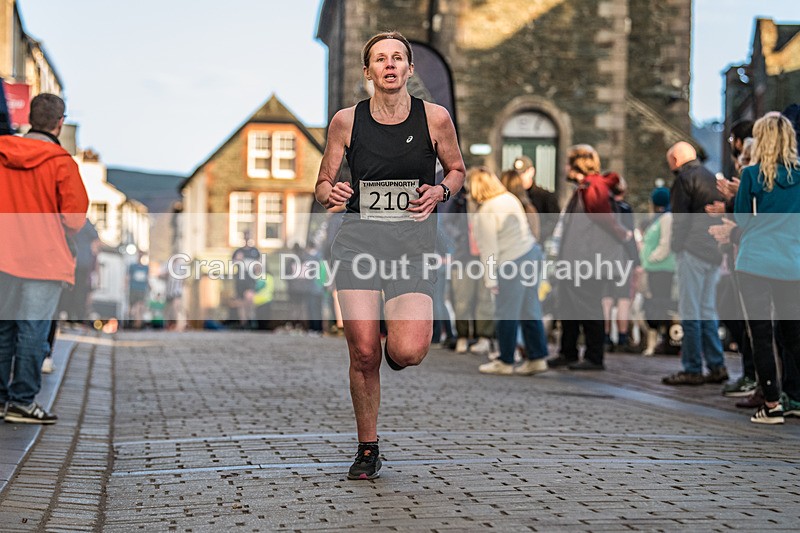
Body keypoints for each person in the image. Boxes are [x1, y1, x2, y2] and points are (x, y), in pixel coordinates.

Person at [314, 31, 465, 480]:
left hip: (413, 247)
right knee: (363, 353)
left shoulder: (435, 118)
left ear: (410, 69)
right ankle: (367, 448)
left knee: (409, 349)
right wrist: (333, 192)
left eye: (398, 57)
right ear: (369, 71)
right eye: (380, 59)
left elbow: (457, 170)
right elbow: (322, 184)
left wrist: (439, 191)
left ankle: (396, 350)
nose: (390, 65)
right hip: (359, 243)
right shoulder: (346, 121)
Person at [0, 93, 88, 424]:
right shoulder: (62, 163)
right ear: (59, 122)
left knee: (3, 329)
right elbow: (74, 219)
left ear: (30, 119)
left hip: (3, 256)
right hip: (43, 259)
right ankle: (23, 402)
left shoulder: (2, 152)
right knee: (33, 331)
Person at [733, 112, 800, 424]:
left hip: (755, 261)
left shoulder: (752, 175)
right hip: (792, 262)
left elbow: (742, 220)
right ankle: (796, 397)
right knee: (793, 333)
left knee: (760, 333)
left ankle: (771, 403)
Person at [548, 145, 632, 371]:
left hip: (587, 261)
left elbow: (604, 217)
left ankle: (594, 356)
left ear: (577, 165)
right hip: (577, 260)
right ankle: (568, 352)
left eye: (568, 163)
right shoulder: (585, 187)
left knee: (588, 307)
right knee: (568, 307)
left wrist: (622, 234)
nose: (564, 167)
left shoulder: (593, 186)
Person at [468, 168, 549, 376]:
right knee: (530, 310)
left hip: (511, 262)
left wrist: (490, 280)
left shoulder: (485, 211)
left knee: (506, 313)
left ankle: (505, 360)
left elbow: (489, 250)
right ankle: (537, 357)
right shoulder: (509, 198)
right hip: (530, 253)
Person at [661, 142, 728, 386]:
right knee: (708, 310)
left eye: (670, 162)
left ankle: (692, 368)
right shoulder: (712, 177)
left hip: (692, 249)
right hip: (713, 250)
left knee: (690, 310)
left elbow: (680, 219)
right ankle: (716, 364)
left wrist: (677, 246)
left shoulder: (684, 179)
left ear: (676, 159)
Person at [639, 187, 676, 355]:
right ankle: (655, 344)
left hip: (662, 269)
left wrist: (651, 258)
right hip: (653, 269)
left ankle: (664, 343)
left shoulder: (666, 217)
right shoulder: (657, 219)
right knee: (653, 305)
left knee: (660, 305)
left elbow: (665, 243)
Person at [512, 156, 561, 241]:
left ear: (531, 172)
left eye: (523, 173)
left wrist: (538, 234)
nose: (520, 177)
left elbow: (554, 220)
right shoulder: (511, 197)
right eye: (517, 174)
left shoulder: (545, 196)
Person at [232, 230, 260, 329]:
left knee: (249, 300)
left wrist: (257, 275)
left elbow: (258, 266)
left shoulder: (255, 251)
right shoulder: (238, 251)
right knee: (240, 301)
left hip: (250, 280)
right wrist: (237, 260)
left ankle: (251, 319)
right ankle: (243, 322)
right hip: (240, 280)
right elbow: (233, 264)